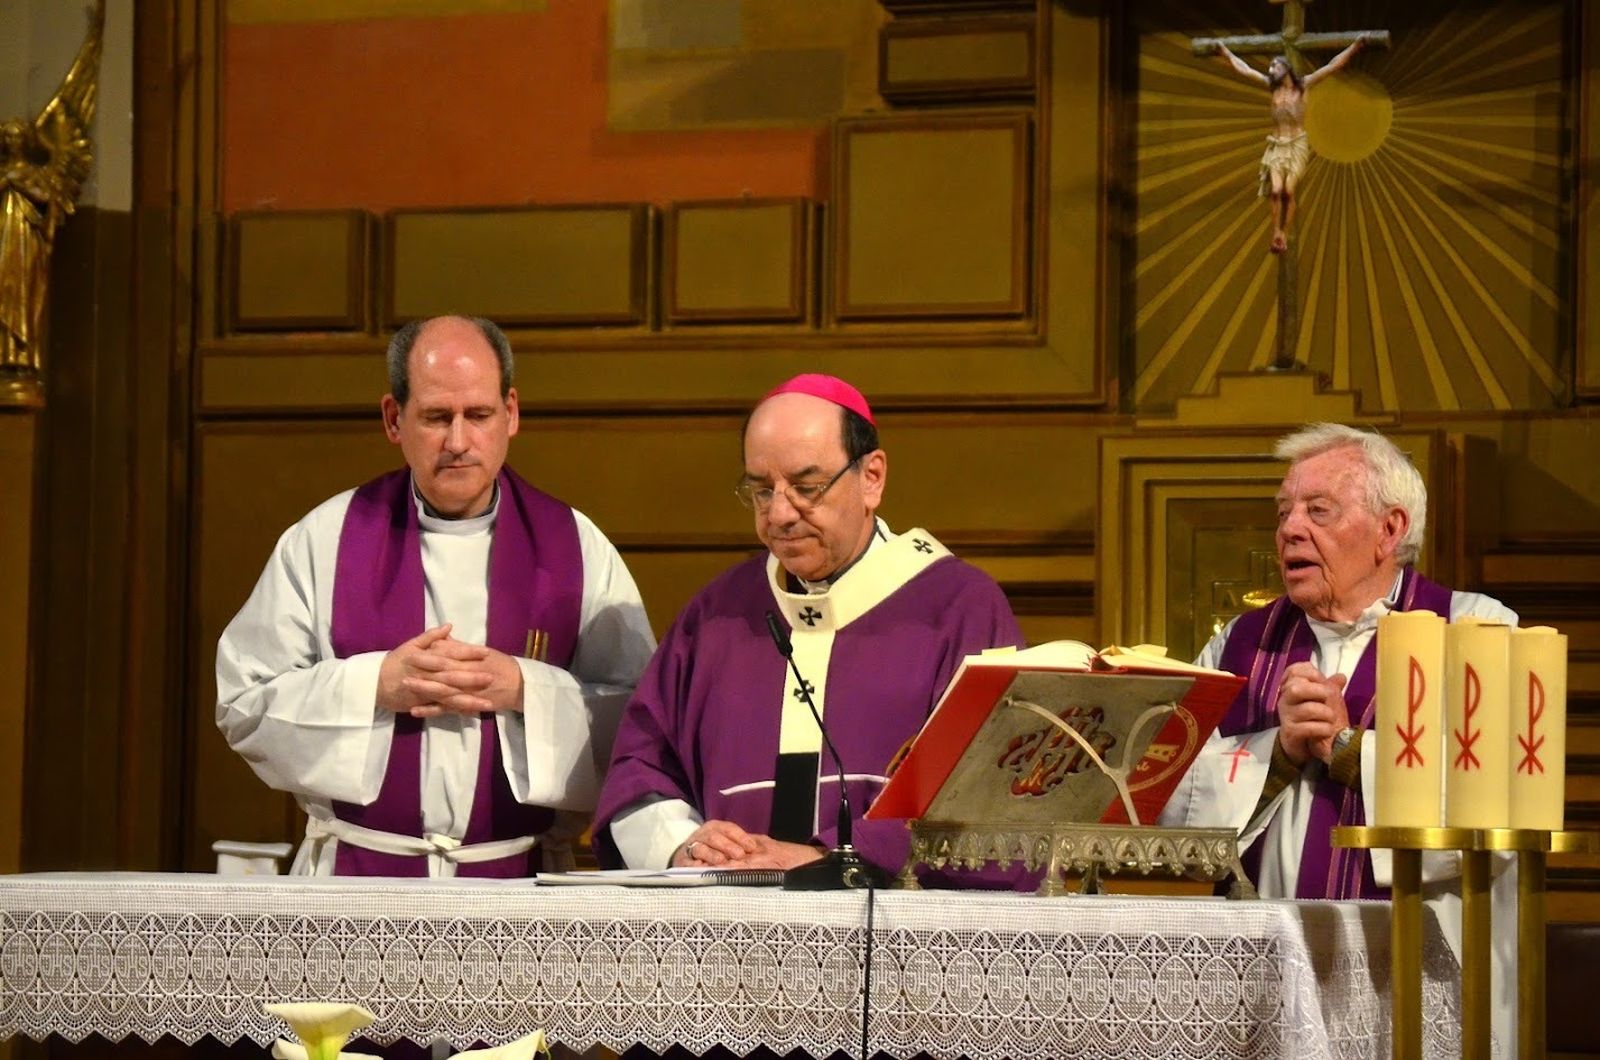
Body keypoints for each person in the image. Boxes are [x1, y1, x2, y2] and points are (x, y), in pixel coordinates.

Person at [216, 315, 655, 877]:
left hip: (518, 887)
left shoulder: (576, 546)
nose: (458, 441)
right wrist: (374, 685)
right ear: (393, 419)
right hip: (355, 884)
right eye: (435, 417)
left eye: (478, 415)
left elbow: (642, 723)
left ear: (511, 413)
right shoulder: (323, 540)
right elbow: (243, 703)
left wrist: (525, 689)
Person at [1158, 423, 1519, 1051]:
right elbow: (1171, 801)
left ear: (1390, 529)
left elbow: (1495, 812)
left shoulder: (1476, 631)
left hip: (1419, 972)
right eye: (1284, 513)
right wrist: (1278, 750)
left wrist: (1348, 749)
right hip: (1265, 975)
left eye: (1318, 510)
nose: (1290, 528)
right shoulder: (1239, 644)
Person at [593, 374, 1023, 877]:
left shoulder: (959, 608)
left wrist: (836, 859)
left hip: (894, 936)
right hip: (725, 931)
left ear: (872, 478)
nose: (779, 513)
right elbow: (639, 767)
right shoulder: (716, 615)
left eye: (806, 487)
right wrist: (682, 843)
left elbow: (995, 789)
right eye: (760, 491)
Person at [1212, 37, 1370, 254]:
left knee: (1287, 191)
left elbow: (1333, 66)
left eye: (1274, 66)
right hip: (1278, 145)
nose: (1271, 69)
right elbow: (1245, 69)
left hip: (1296, 145)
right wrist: (1226, 53)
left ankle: (1284, 233)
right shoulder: (1272, 87)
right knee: (1275, 191)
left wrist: (1355, 47)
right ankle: (1276, 233)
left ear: (1286, 68)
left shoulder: (1304, 85)